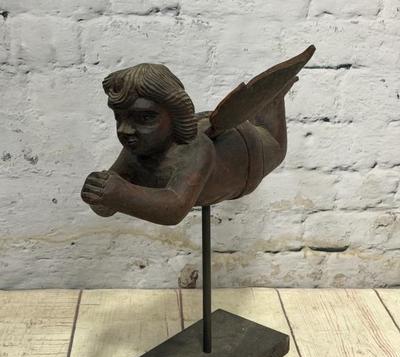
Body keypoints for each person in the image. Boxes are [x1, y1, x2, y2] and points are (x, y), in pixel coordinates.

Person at [81, 46, 315, 225]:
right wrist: (100, 195)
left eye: (145, 118)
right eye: (119, 118)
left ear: (176, 115)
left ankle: (273, 99)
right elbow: (107, 205)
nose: (125, 129)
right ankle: (272, 100)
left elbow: (175, 207)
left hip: (253, 153)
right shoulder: (135, 148)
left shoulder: (195, 148)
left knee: (273, 142)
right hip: (230, 136)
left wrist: (119, 193)